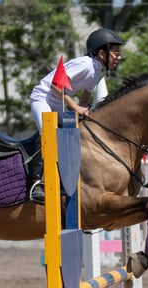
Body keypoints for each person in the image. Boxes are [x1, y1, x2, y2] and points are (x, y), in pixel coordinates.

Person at [29, 28, 124, 202]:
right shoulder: (85, 65)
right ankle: (36, 184)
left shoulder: (97, 72)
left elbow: (85, 99)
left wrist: (83, 113)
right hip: (42, 98)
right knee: (49, 137)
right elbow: (55, 85)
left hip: (58, 103)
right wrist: (74, 107)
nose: (119, 57)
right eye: (116, 53)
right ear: (102, 53)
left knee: (76, 135)